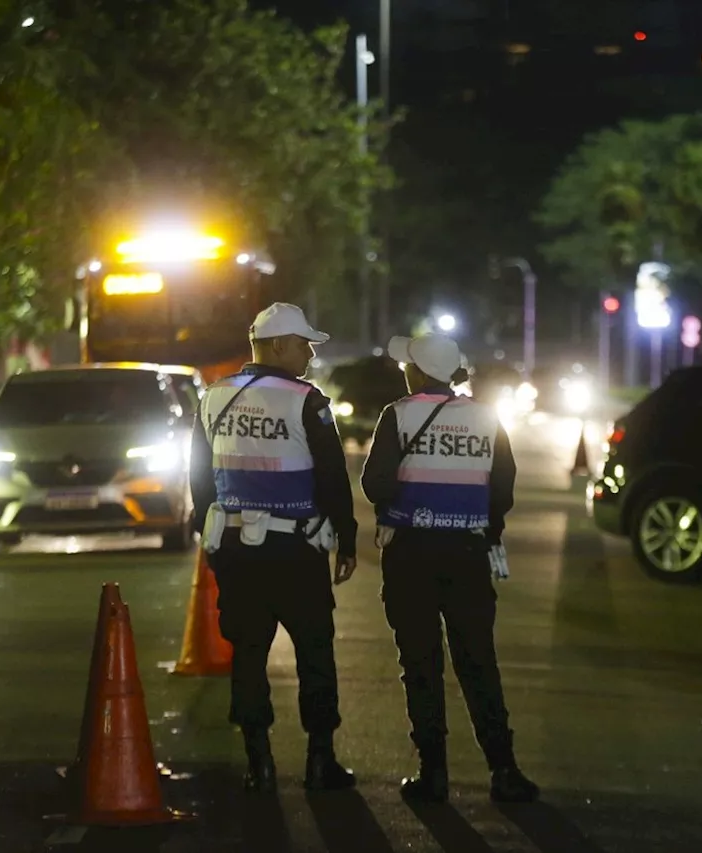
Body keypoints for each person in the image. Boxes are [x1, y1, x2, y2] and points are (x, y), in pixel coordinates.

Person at [361, 332, 539, 804]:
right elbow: (503, 489)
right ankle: (504, 769)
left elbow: (375, 485)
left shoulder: (397, 415)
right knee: (478, 661)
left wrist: (413, 498)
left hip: (411, 556)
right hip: (467, 554)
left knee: (420, 663)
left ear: (418, 372)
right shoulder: (486, 418)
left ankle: (433, 774)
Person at [189, 302, 358, 794]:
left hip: (237, 550)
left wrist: (211, 536)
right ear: (279, 345)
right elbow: (332, 476)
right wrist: (346, 539)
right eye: (304, 344)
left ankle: (257, 761)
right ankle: (320, 761)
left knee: (247, 653)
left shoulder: (213, 397)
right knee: (314, 652)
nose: (308, 354)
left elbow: (199, 479)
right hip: (296, 552)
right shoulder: (307, 401)